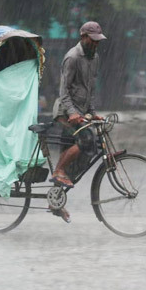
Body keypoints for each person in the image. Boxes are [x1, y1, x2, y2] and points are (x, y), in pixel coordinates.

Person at [50, 21, 107, 222]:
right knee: (85, 142)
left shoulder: (95, 58)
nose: (95, 44)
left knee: (88, 150)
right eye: (93, 40)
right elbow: (64, 91)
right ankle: (58, 171)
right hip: (66, 113)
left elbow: (90, 89)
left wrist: (93, 112)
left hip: (82, 113)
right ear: (83, 37)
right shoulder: (72, 57)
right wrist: (73, 113)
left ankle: (56, 200)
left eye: (97, 41)